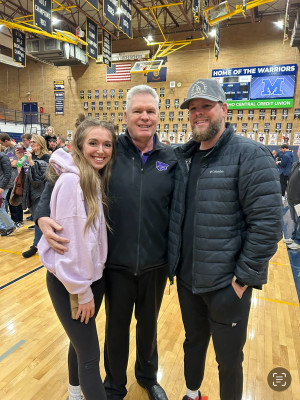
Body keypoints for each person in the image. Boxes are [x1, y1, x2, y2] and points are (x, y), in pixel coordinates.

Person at [35, 85, 177, 400]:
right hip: (116, 263)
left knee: (148, 328)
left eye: (150, 111)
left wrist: (176, 259)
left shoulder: (171, 157)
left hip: (155, 261)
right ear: (125, 116)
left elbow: (180, 208)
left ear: (158, 116)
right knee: (115, 329)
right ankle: (114, 384)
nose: (144, 116)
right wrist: (42, 214)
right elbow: (64, 172)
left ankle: (148, 378)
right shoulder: (111, 150)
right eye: (137, 111)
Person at [168, 79, 282, 400]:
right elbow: (147, 168)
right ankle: (192, 394)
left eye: (206, 106)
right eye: (193, 109)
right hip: (188, 281)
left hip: (226, 286)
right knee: (193, 343)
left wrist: (241, 281)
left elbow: (268, 226)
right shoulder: (182, 158)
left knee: (229, 360)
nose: (198, 113)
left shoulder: (250, 155)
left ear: (224, 109)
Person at [38, 119, 117, 400]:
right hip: (73, 283)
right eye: (93, 143)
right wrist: (82, 292)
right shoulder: (73, 182)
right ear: (79, 146)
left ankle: (74, 393)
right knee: (90, 357)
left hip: (88, 280)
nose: (100, 150)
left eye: (107, 144)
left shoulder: (91, 178)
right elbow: (70, 248)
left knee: (79, 344)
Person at [16, 135, 50, 257]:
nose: (31, 144)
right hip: (29, 191)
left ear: (41, 143)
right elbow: (24, 173)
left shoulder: (47, 157)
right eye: (30, 142)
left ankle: (35, 245)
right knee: (38, 219)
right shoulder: (30, 155)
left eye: (34, 142)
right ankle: (43, 243)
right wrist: (21, 160)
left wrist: (30, 161)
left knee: (38, 220)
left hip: (41, 192)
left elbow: (41, 176)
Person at [0, 133, 23, 228]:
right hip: (9, 179)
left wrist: (16, 163)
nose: (1, 145)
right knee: (9, 202)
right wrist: (13, 162)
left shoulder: (19, 147)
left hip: (17, 178)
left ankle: (19, 220)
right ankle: (13, 220)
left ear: (6, 141)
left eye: (1, 143)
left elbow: (24, 161)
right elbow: (10, 162)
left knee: (16, 199)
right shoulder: (7, 150)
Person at [285, 146, 300, 251]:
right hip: (291, 198)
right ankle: (293, 237)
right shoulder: (295, 164)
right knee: (294, 220)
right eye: (299, 149)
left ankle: (298, 241)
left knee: (299, 221)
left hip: (299, 200)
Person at [0, 152, 16, 236]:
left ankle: (10, 226)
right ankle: (3, 226)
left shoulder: (3, 156)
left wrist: (2, 186)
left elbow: (7, 173)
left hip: (3, 186)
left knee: (0, 207)